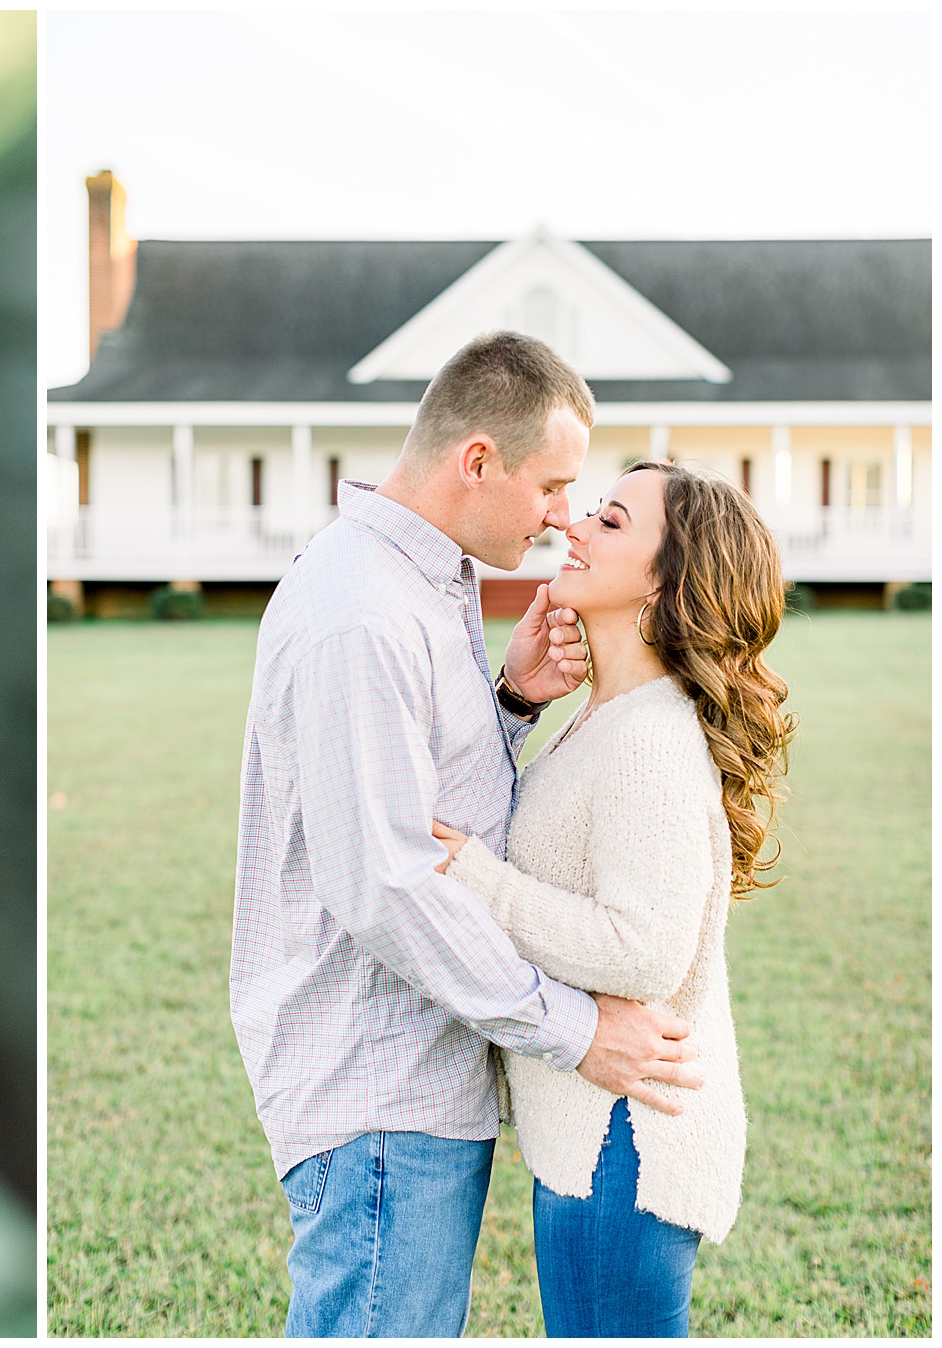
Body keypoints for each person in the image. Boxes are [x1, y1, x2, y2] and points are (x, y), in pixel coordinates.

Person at [230, 330, 705, 1339]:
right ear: (478, 459)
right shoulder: (361, 609)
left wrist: (511, 703)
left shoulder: (422, 581)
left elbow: (416, 800)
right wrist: (578, 1032)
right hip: (379, 1088)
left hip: (416, 1080)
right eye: (553, 485)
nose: (562, 517)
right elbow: (388, 886)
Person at [432, 460, 792, 1336]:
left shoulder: (651, 737)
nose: (577, 527)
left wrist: (476, 879)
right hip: (599, 1131)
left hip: (629, 1141)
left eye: (614, 522)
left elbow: (643, 953)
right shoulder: (603, 713)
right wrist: (516, 698)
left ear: (667, 580)